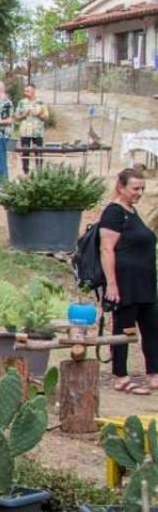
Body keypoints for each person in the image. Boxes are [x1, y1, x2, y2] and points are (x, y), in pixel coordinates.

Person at [99, 169, 158, 395]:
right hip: (126, 282)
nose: (139, 193)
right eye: (135, 189)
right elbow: (107, 249)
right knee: (124, 329)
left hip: (145, 283)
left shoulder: (131, 212)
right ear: (121, 187)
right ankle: (121, 376)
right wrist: (112, 284)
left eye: (142, 189)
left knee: (152, 327)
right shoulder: (114, 212)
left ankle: (154, 373)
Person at [16, 83, 46, 174]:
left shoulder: (41, 102)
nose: (26, 93)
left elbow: (46, 116)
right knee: (25, 152)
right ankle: (26, 172)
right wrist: (23, 114)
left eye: (28, 91)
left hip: (37, 132)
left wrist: (39, 114)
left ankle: (39, 173)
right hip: (25, 132)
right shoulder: (21, 103)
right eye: (25, 91)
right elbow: (16, 116)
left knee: (39, 152)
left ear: (33, 91)